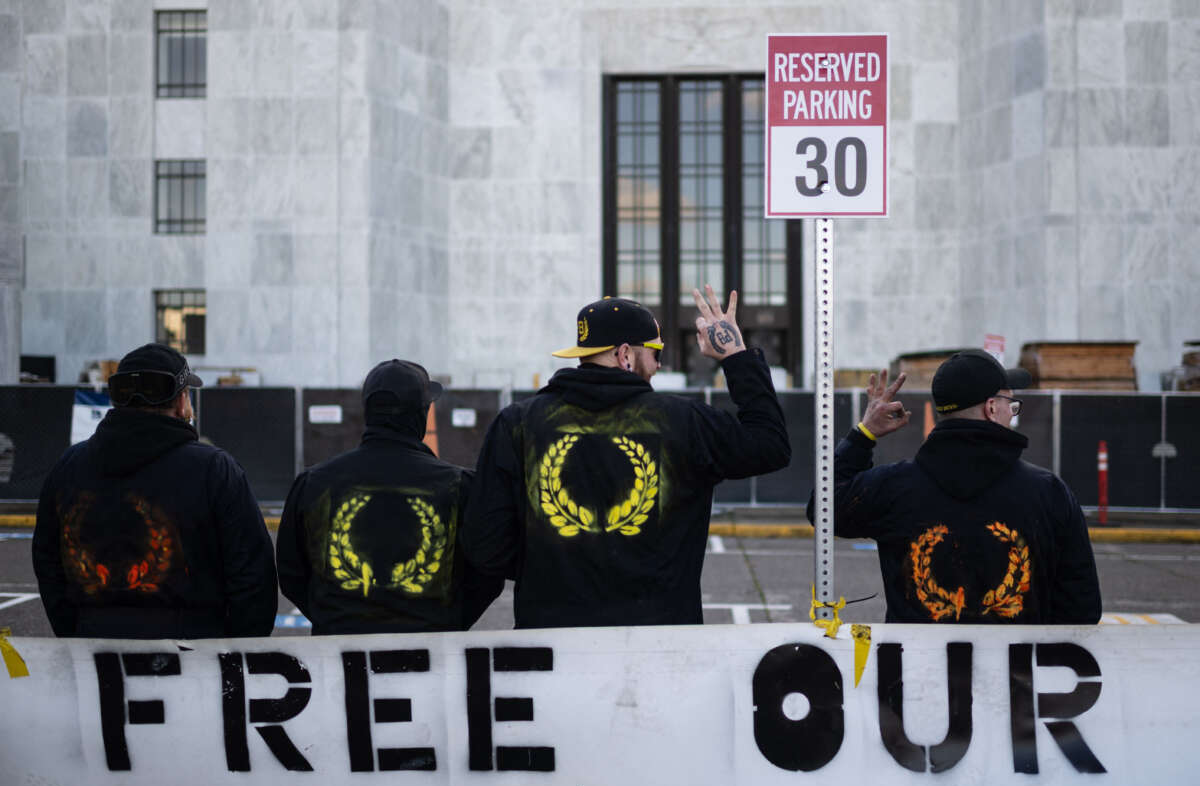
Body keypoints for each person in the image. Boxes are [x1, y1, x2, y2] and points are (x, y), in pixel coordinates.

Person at [461, 286, 791, 628]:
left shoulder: (517, 424)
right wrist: (735, 357)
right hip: (660, 643)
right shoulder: (684, 422)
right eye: (655, 353)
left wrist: (551, 569)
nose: (659, 365)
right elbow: (769, 446)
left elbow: (485, 546)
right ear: (625, 355)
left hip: (551, 644)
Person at [810, 349, 1101, 624]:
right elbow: (1081, 610)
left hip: (913, 673)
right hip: (1018, 675)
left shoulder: (894, 488)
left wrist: (863, 435)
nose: (1013, 414)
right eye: (1011, 405)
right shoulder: (1049, 493)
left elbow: (823, 508)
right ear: (991, 408)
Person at [32, 343, 278, 638]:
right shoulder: (214, 470)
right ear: (182, 401)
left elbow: (48, 564)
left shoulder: (68, 467)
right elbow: (253, 579)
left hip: (94, 655)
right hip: (196, 660)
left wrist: (76, 633)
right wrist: (232, 655)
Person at [276, 359, 503, 633]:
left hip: (340, 660)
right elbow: (488, 570)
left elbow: (291, 573)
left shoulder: (313, 483)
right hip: (435, 656)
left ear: (367, 411)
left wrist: (333, 620)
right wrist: (449, 622)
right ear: (422, 413)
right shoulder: (461, 486)